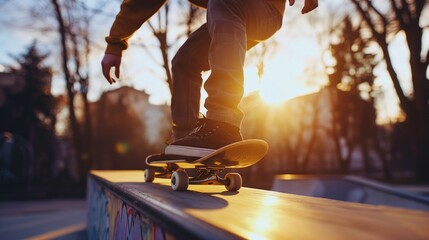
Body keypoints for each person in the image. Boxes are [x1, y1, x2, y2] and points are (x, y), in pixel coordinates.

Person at [102, 0, 318, 158]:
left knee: (223, 3)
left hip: (262, 8)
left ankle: (223, 122)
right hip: (228, 12)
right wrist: (115, 43)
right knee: (184, 62)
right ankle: (185, 144)